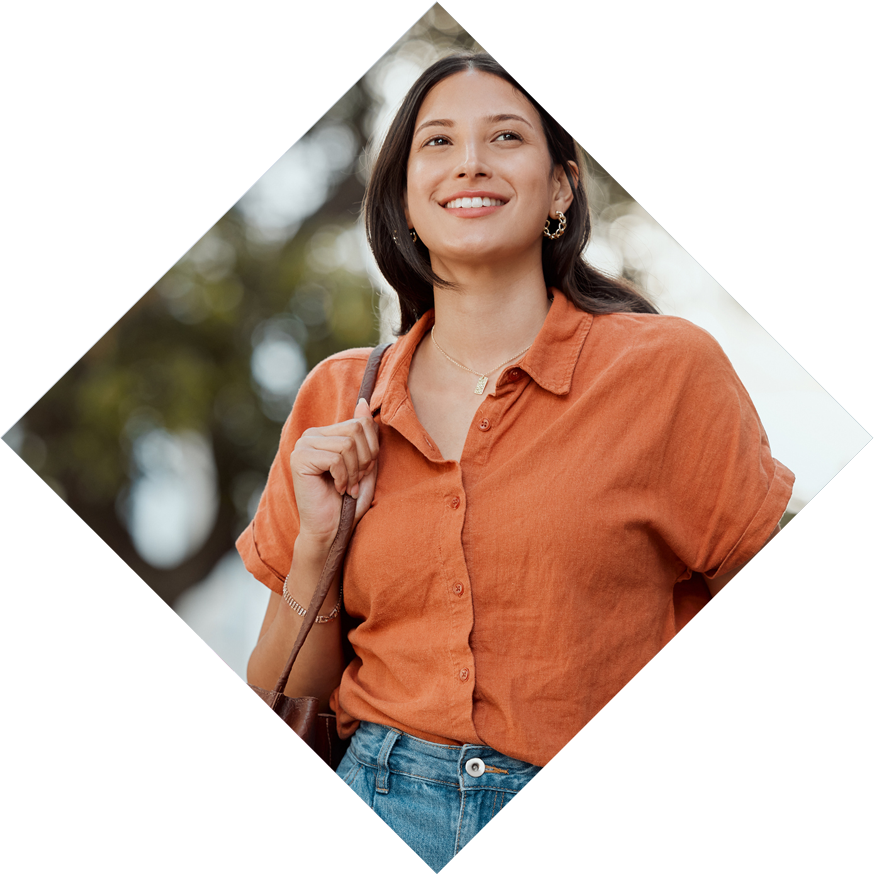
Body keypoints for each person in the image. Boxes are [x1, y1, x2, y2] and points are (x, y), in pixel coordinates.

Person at [238, 53, 793, 872]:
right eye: (438, 142)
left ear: (561, 189)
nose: (470, 162)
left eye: (505, 136)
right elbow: (280, 693)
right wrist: (319, 548)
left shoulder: (668, 370)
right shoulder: (337, 396)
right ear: (403, 200)